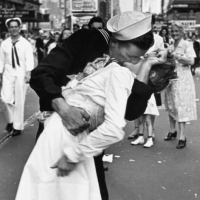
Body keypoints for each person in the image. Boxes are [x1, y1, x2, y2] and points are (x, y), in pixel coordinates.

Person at [27, 11, 167, 200]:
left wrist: (147, 67)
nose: (131, 61)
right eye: (129, 55)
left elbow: (131, 111)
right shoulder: (86, 40)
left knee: (92, 192)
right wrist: (64, 109)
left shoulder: (129, 65)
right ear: (115, 42)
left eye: (138, 58)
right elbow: (41, 74)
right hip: (61, 132)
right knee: (48, 192)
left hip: (90, 142)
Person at [128, 14, 164, 141]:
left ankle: (150, 131)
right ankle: (137, 129)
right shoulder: (135, 37)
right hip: (136, 72)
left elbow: (162, 57)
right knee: (135, 99)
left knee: (151, 105)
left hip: (152, 75)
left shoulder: (158, 39)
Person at [164, 22, 197, 149]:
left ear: (182, 32)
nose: (174, 33)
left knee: (181, 106)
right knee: (171, 104)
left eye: (176, 31)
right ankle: (173, 130)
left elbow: (191, 61)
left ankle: (182, 136)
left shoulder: (187, 44)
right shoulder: (171, 45)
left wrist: (177, 56)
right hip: (171, 79)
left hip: (183, 79)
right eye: (172, 31)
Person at [0, 18, 34, 136]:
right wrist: (0, 73)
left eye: (16, 26)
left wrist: (28, 73)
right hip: (8, 73)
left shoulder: (26, 44)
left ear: (19, 28)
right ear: (8, 29)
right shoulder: (4, 44)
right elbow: (1, 60)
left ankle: (17, 126)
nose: (14, 29)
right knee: (5, 99)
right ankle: (10, 121)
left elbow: (29, 59)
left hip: (21, 73)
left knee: (19, 100)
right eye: (11, 27)